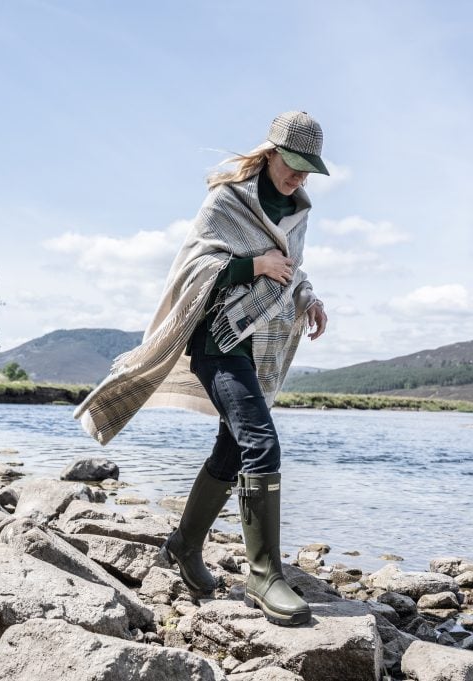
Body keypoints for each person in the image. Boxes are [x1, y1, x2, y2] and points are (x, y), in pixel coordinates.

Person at [75, 111, 329, 627]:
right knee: (261, 441)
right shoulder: (227, 202)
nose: (299, 178)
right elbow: (197, 267)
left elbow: (291, 269)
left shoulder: (299, 211)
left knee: (233, 446)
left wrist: (308, 295)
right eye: (294, 166)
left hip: (260, 344)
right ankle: (263, 575)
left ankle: (184, 548)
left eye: (308, 170)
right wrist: (253, 265)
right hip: (217, 338)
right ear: (271, 152)